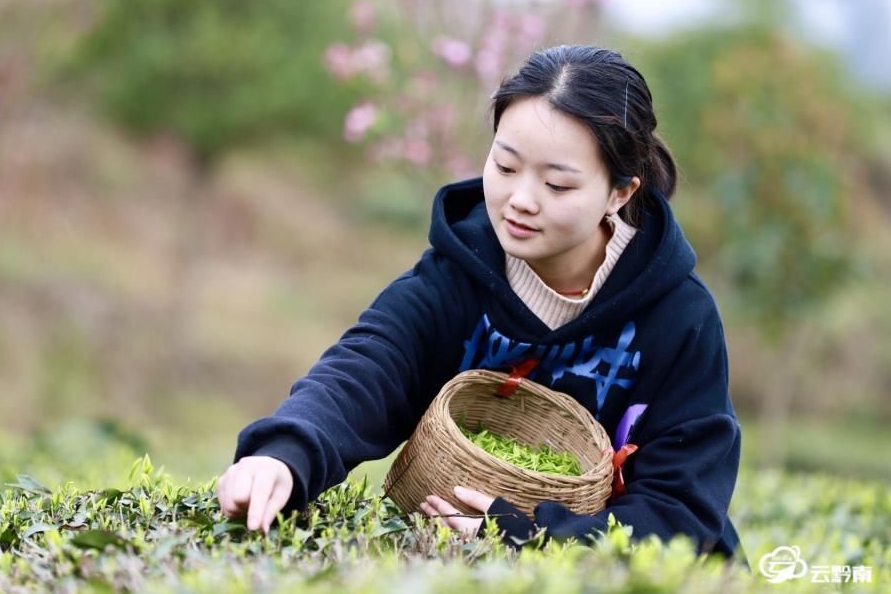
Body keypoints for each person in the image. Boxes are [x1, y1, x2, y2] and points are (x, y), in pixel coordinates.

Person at [217, 44, 745, 563]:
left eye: (557, 184)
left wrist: (532, 535)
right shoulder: (457, 274)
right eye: (505, 165)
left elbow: (680, 510)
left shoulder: (679, 318)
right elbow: (370, 364)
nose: (520, 200)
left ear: (620, 193)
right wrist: (284, 456)